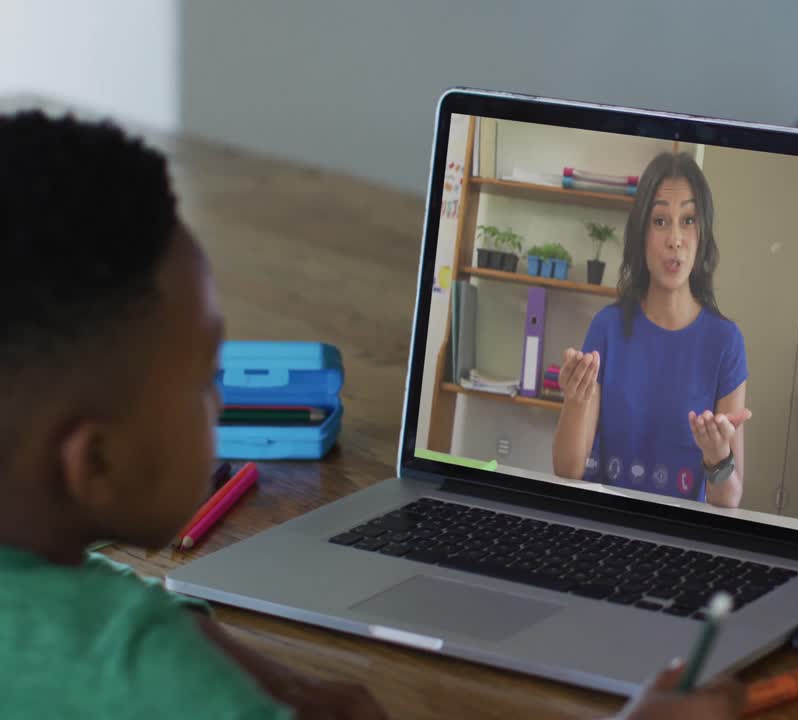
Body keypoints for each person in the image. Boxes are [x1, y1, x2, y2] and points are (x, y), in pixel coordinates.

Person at [0, 111, 741, 720]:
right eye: (203, 380)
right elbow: (570, 469)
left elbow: (81, 595)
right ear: (95, 462)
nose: (221, 401)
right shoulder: (156, 680)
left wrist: (205, 640)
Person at [553, 153, 751, 508]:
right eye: (660, 221)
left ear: (702, 234)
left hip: (679, 541)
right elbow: (567, 470)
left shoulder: (726, 343)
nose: (675, 239)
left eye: (688, 220)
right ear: (641, 233)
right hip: (605, 527)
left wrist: (717, 455)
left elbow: (730, 499)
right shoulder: (607, 329)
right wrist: (575, 401)